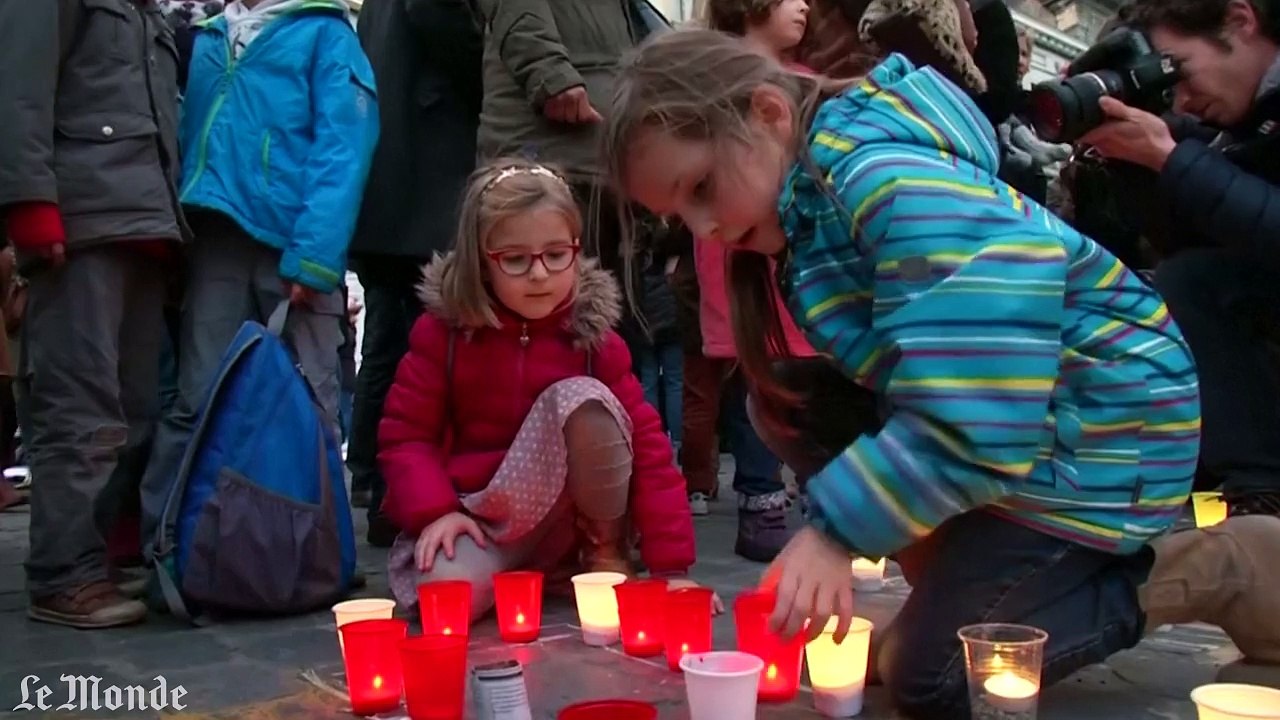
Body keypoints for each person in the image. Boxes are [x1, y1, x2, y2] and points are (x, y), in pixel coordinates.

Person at [601, 29, 1280, 715]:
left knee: (934, 678)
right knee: (787, 403)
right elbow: (926, 377)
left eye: (703, 188)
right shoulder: (812, 210)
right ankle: (963, 594)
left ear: (769, 113)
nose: (704, 227)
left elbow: (975, 410)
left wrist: (836, 534)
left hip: (1104, 443)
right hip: (1026, 431)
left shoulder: (887, 184)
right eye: (679, 214)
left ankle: (1216, 567)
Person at [377, 160, 710, 621]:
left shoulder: (593, 339)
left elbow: (650, 448)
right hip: (482, 520)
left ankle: (601, 550)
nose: (539, 274)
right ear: (480, 260)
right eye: (515, 259)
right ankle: (531, 573)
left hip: (567, 522)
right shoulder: (444, 335)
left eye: (557, 254)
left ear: (577, 248)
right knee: (445, 598)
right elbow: (405, 436)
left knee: (585, 398)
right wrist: (436, 512)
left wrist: (671, 568)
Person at [139, 0, 379, 547]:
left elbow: (344, 144)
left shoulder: (325, 34)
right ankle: (173, 542)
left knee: (312, 394)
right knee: (197, 393)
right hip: (215, 237)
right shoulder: (208, 36)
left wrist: (315, 255)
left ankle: (322, 543)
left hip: (292, 240)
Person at [0, 0, 185, 628]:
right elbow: (18, 86)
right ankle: (63, 573)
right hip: (81, 225)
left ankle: (94, 557)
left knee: (132, 409)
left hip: (141, 225)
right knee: (79, 408)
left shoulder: (146, 14)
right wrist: (29, 204)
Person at [1077, 0, 1280, 519]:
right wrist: (1126, 160)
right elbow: (1194, 245)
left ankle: (1264, 493)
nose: (1183, 100)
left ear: (1239, 20)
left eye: (1179, 69)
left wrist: (1169, 157)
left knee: (1196, 281)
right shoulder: (1241, 124)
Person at [347, 0, 483, 547]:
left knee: (388, 341)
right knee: (417, 346)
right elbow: (443, 21)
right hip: (426, 178)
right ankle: (393, 490)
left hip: (395, 184)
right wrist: (490, 74)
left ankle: (376, 482)